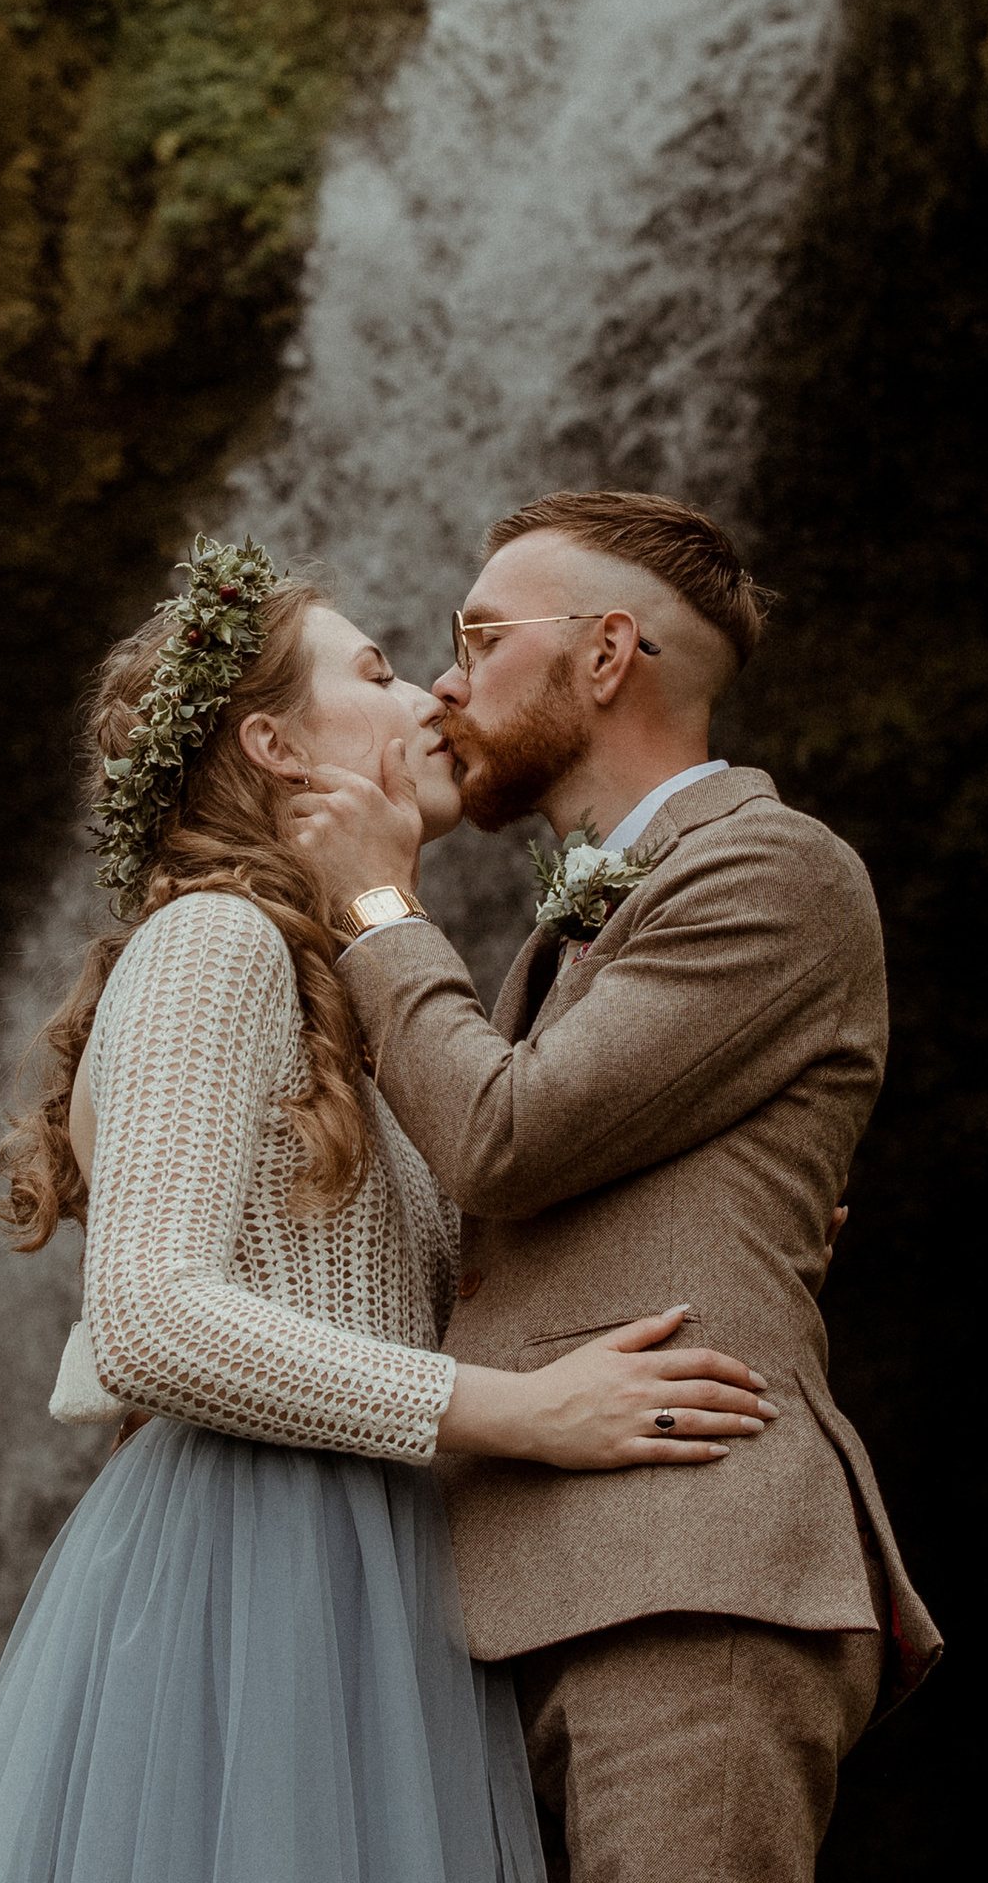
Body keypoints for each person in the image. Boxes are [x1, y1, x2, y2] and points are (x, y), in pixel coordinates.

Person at [0, 532, 781, 1883]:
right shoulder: (216, 940)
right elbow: (148, 1321)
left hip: (378, 1569)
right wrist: (527, 1414)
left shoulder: (359, 1004)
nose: (435, 695)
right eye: (382, 669)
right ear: (276, 748)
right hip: (254, 1569)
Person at [287, 487, 942, 1883]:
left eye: (478, 634)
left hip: (682, 1573)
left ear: (604, 656)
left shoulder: (774, 864)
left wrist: (374, 907)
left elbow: (505, 1141)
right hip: (509, 1585)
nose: (445, 680)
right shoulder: (576, 920)